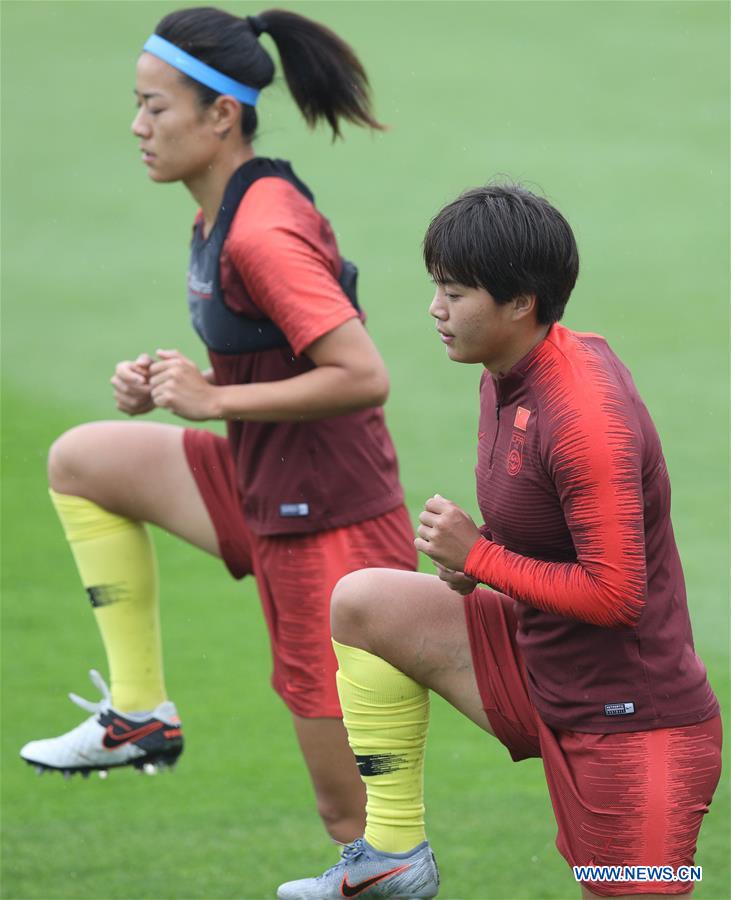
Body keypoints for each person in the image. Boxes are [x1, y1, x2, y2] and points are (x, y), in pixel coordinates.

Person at [19, 6, 417, 845]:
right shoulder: (218, 210)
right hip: (264, 485)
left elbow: (362, 376)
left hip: (330, 527)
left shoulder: (262, 231)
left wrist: (214, 403)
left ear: (221, 115)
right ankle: (137, 714)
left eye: (155, 107)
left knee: (353, 818)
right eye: (138, 105)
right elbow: (255, 358)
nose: (138, 126)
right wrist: (166, 385)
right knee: (84, 460)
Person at [277, 184, 722, 899]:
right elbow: (548, 530)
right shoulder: (506, 374)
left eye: (455, 293)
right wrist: (481, 554)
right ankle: (390, 855)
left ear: (520, 303)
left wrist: (479, 557)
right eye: (436, 287)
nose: (435, 308)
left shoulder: (583, 416)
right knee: (365, 603)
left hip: (634, 726)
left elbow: (617, 595)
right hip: (541, 667)